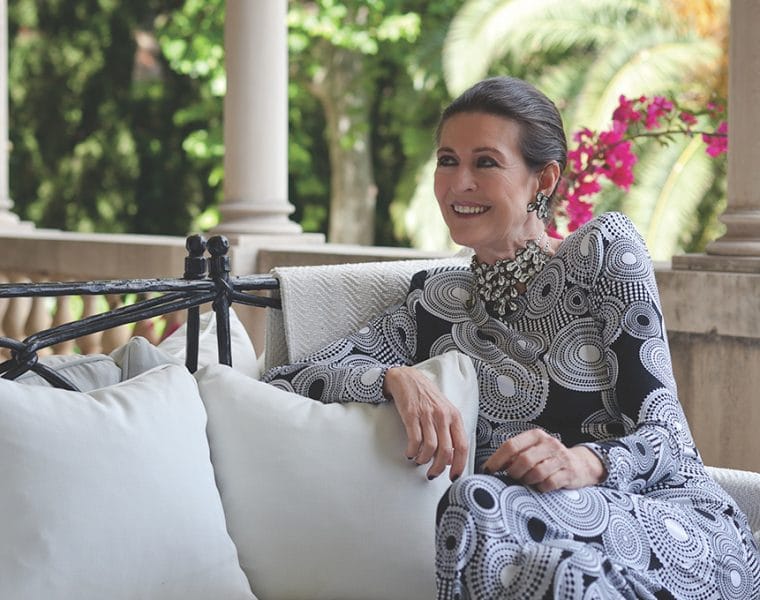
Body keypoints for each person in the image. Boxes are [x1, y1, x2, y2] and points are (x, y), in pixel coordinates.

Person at [263, 76, 759, 598]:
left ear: (543, 180)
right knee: (535, 555)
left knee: (481, 504)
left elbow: (669, 439)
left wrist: (582, 462)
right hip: (533, 549)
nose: (458, 183)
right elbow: (285, 379)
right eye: (448, 160)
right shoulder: (434, 303)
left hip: (672, 530)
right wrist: (395, 378)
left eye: (486, 162)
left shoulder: (602, 252)